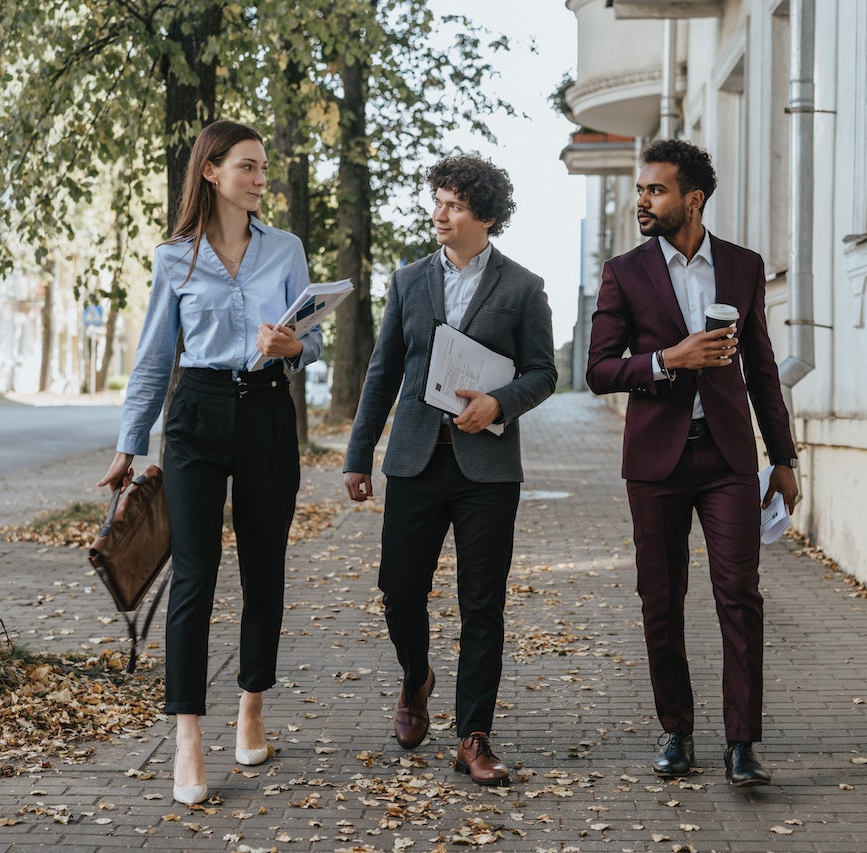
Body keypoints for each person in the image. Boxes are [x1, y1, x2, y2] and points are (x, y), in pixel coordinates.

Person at [98, 120, 323, 805]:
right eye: (249, 167)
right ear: (211, 172)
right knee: (195, 572)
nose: (261, 178)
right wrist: (128, 444)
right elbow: (154, 358)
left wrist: (293, 348)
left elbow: (308, 343)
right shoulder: (175, 258)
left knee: (264, 563)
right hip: (194, 412)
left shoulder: (285, 248)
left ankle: (252, 703)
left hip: (264, 410)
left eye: (263, 168)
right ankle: (188, 731)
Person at [586, 139, 798, 787]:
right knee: (662, 597)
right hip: (656, 460)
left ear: (692, 199)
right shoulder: (625, 271)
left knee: (740, 595)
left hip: (729, 457)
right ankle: (676, 730)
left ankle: (742, 743)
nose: (641, 201)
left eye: (655, 190)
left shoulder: (743, 266)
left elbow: (762, 369)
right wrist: (666, 360)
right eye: (640, 189)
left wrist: (783, 457)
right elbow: (596, 369)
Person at [343, 155, 556, 787]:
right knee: (399, 589)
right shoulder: (408, 281)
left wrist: (501, 402)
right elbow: (383, 371)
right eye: (437, 200)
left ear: (486, 216)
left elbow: (542, 372)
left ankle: (473, 736)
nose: (441, 212)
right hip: (414, 459)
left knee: (481, 605)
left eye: (456, 204)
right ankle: (415, 677)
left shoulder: (523, 287)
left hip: (487, 469)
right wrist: (360, 455)